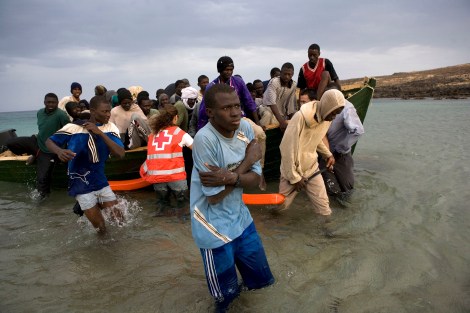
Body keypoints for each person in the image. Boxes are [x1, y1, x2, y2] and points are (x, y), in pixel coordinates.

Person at [190, 84, 274, 312]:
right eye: (227, 108)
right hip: (213, 229)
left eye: (237, 105)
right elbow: (215, 197)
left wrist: (229, 177)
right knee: (226, 300)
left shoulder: (245, 128)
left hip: (241, 220)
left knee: (263, 284)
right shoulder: (204, 140)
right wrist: (247, 162)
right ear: (210, 112)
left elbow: (255, 180)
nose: (236, 112)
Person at [46, 95, 125, 234]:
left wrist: (100, 133)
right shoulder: (74, 128)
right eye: (104, 111)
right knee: (101, 229)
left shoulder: (110, 127)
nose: (108, 114)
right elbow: (49, 142)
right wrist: (59, 151)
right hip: (80, 182)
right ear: (93, 111)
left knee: (120, 221)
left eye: (109, 111)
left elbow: (121, 153)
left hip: (100, 180)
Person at [277, 89, 345, 230]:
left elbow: (316, 138)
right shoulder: (300, 117)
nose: (333, 117)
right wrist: (295, 178)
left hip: (311, 167)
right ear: (326, 106)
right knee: (281, 207)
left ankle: (329, 232)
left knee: (323, 206)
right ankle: (275, 229)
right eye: (333, 113)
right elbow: (286, 148)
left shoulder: (326, 118)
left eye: (336, 114)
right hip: (292, 170)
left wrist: (328, 154)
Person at [6, 93, 70, 200]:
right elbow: (42, 129)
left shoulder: (61, 115)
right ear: (44, 102)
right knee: (10, 143)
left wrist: (61, 151)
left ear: (57, 103)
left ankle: (42, 204)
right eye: (48, 102)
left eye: (53, 102)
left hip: (50, 150)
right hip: (37, 142)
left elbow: (69, 132)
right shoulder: (40, 112)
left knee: (42, 180)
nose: (50, 104)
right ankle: (34, 154)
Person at [140, 105, 193, 216]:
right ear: (175, 118)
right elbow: (197, 149)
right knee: (183, 205)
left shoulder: (153, 134)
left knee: (162, 204)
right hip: (175, 176)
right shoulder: (179, 133)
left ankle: (163, 215)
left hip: (156, 176)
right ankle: (181, 222)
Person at [319, 87, 364, 202]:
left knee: (347, 189)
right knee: (331, 190)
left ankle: (347, 211)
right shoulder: (322, 106)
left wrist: (340, 149)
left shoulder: (347, 109)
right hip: (325, 152)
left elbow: (358, 131)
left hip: (341, 154)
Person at [259, 62, 298, 131]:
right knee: (267, 115)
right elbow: (272, 104)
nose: (287, 76)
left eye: (289, 74)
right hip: (266, 108)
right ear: (281, 73)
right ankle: (258, 134)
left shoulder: (293, 85)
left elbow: (291, 105)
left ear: (293, 74)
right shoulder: (274, 82)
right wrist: (282, 122)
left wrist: (291, 121)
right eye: (285, 74)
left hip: (281, 113)